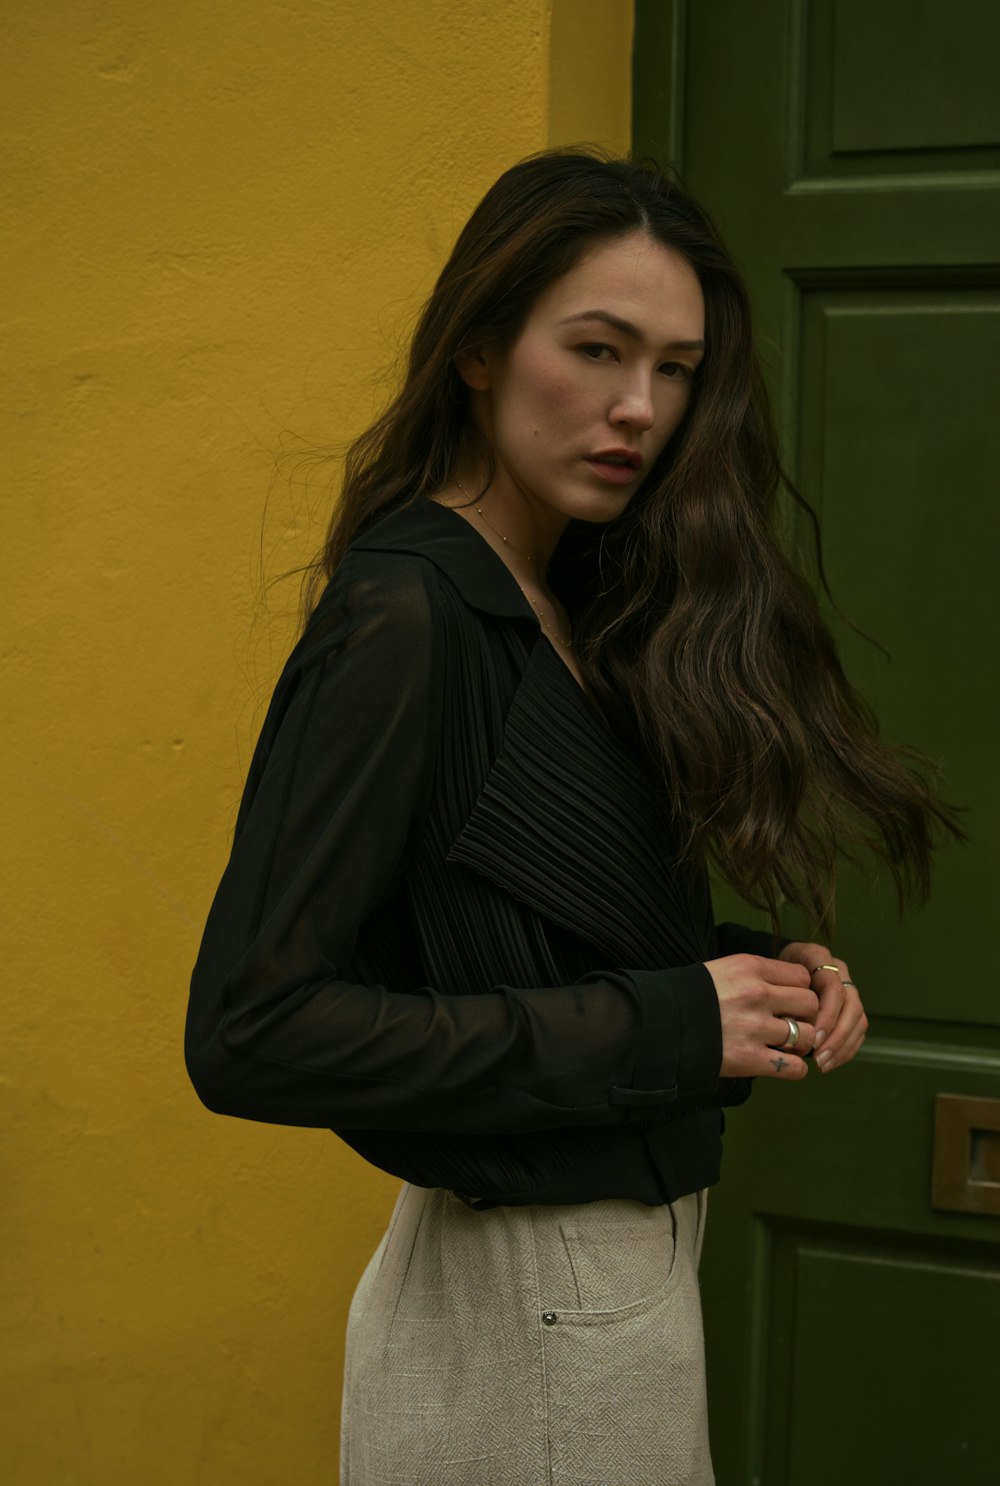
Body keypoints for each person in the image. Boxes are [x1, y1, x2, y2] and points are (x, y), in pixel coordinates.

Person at [185, 150, 959, 1485]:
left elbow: (517, 928)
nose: (639, 407)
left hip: (618, 1283)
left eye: (674, 369)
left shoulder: (573, 604)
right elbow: (253, 1027)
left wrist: (754, 984)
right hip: (533, 1295)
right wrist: (675, 1017)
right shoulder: (410, 616)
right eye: (597, 350)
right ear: (479, 348)